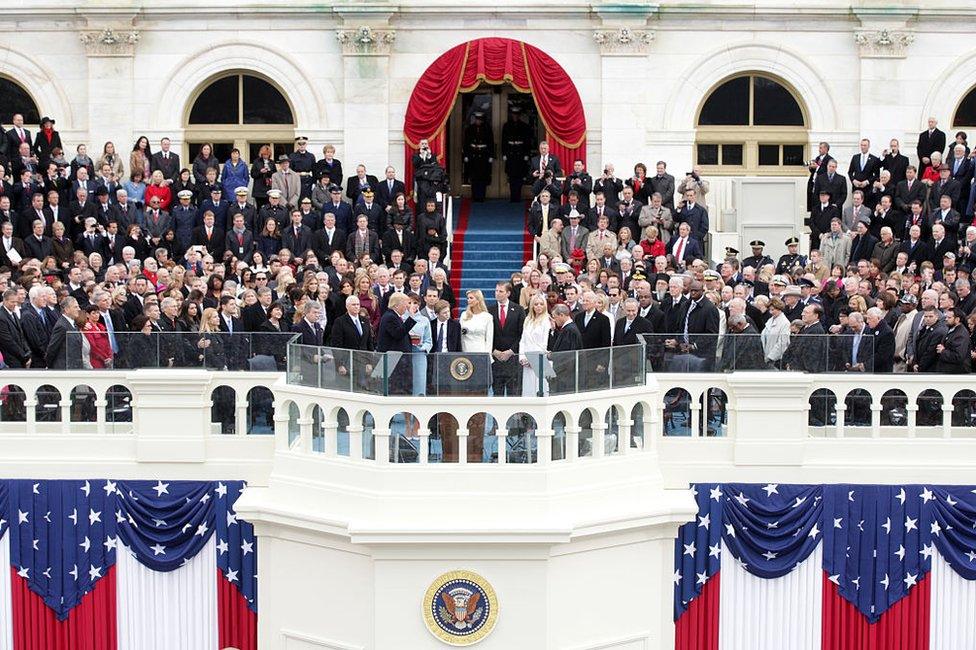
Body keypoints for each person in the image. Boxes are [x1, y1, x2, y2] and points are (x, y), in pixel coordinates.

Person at [489, 282, 525, 396]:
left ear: (508, 293)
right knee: (497, 393)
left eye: (501, 291)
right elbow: (488, 334)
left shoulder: (518, 310)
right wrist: (494, 350)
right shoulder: (489, 310)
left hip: (513, 358)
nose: (497, 294)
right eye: (496, 291)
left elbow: (522, 334)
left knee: (513, 393)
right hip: (496, 358)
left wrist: (511, 351)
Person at [518, 293, 551, 396]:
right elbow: (523, 340)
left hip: (540, 360)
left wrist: (534, 360)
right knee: (528, 389)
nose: (539, 306)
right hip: (526, 360)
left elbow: (545, 343)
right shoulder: (528, 320)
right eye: (536, 304)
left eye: (541, 304)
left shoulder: (547, 320)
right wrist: (522, 358)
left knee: (541, 388)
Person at [46, 296, 82, 369]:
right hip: (64, 368)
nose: (79, 309)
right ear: (66, 309)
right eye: (75, 307)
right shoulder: (62, 326)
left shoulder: (74, 324)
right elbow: (52, 349)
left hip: (74, 367)